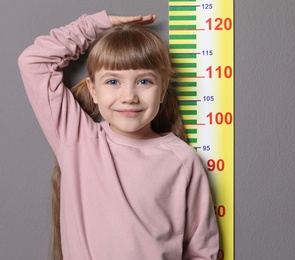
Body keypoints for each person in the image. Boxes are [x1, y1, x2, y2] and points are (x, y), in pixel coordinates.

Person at [18, 10, 219, 260]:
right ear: (93, 90)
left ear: (163, 88)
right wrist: (94, 26)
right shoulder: (78, 140)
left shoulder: (182, 159)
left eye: (144, 82)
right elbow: (34, 62)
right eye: (113, 82)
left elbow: (202, 251)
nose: (129, 96)